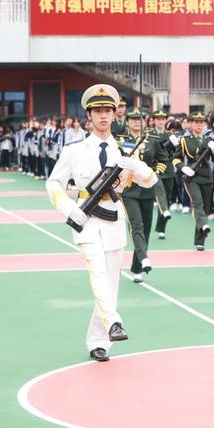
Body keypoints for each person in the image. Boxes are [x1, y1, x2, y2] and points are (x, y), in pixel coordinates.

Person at [45, 84, 156, 362]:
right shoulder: (74, 150)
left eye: (108, 110)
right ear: (89, 116)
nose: (104, 116)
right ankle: (114, 321)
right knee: (97, 273)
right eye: (98, 111)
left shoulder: (125, 149)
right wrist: (69, 210)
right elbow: (54, 183)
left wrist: (138, 168)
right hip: (86, 220)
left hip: (114, 219)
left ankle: (99, 342)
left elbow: (149, 181)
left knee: (111, 283)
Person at [116, 107, 169, 283]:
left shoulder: (152, 140)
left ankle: (136, 267)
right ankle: (144, 258)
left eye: (139, 119)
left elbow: (163, 160)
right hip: (129, 190)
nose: (136, 122)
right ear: (127, 122)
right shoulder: (121, 140)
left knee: (146, 228)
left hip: (147, 190)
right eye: (132, 119)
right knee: (136, 225)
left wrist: (154, 174)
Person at [174, 111, 214, 250]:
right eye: (196, 122)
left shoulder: (210, 140)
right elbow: (175, 159)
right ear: (190, 124)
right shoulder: (184, 140)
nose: (199, 125)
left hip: (207, 177)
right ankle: (204, 224)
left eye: (201, 122)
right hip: (191, 177)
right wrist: (183, 168)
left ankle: (200, 241)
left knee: (205, 208)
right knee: (197, 203)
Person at [153, 110, 177, 239]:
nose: (161, 121)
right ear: (154, 120)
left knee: (165, 199)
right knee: (160, 195)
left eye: (163, 119)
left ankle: (161, 229)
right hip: (155, 169)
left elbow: (177, 153)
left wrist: (175, 143)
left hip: (168, 171)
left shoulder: (169, 135)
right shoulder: (150, 134)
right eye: (158, 119)